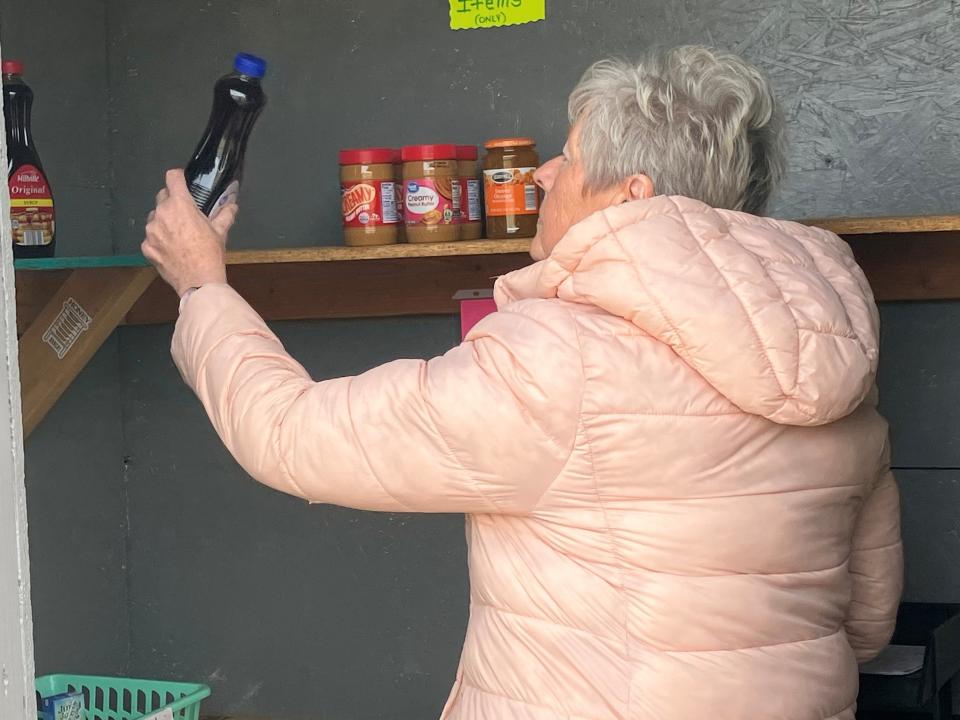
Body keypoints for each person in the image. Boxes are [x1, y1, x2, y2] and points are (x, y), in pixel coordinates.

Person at [143, 45, 902, 720]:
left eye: (569, 159)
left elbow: (293, 436)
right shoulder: (835, 360)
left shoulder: (561, 359)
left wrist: (202, 286)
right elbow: (867, 621)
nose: (543, 173)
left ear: (632, 197)